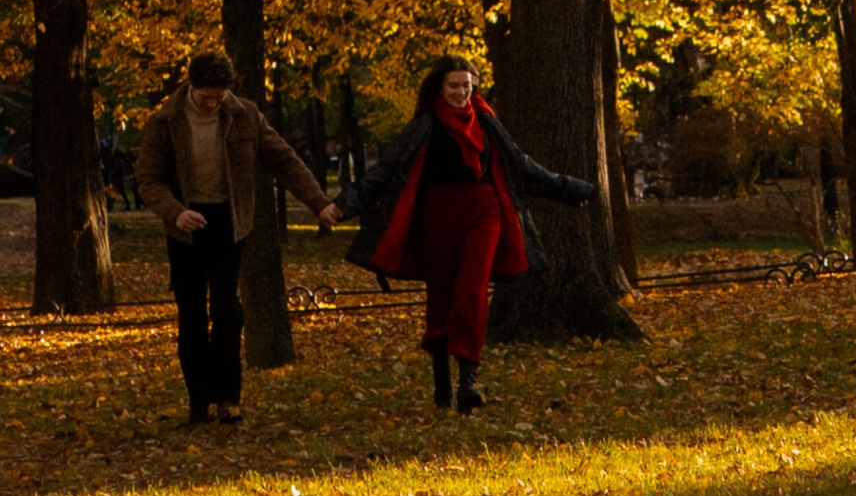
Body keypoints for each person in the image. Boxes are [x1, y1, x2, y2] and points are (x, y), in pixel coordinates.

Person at [346, 54, 598, 413]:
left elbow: (520, 165)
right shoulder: (425, 125)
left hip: (484, 211)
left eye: (467, 85)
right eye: (454, 86)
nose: (462, 92)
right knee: (442, 294)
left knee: (473, 291)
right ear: (439, 87)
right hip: (438, 216)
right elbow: (387, 170)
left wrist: (571, 189)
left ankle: (469, 383)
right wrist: (346, 203)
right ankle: (441, 383)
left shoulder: (487, 123)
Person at [134, 50, 338, 426]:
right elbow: (148, 179)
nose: (212, 105)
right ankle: (199, 401)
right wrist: (176, 211)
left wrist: (319, 204)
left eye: (219, 98)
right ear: (191, 86)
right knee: (191, 313)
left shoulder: (244, 115)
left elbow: (284, 160)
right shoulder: (165, 121)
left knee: (226, 308)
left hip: (229, 220)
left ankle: (228, 396)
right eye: (205, 97)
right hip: (185, 225)